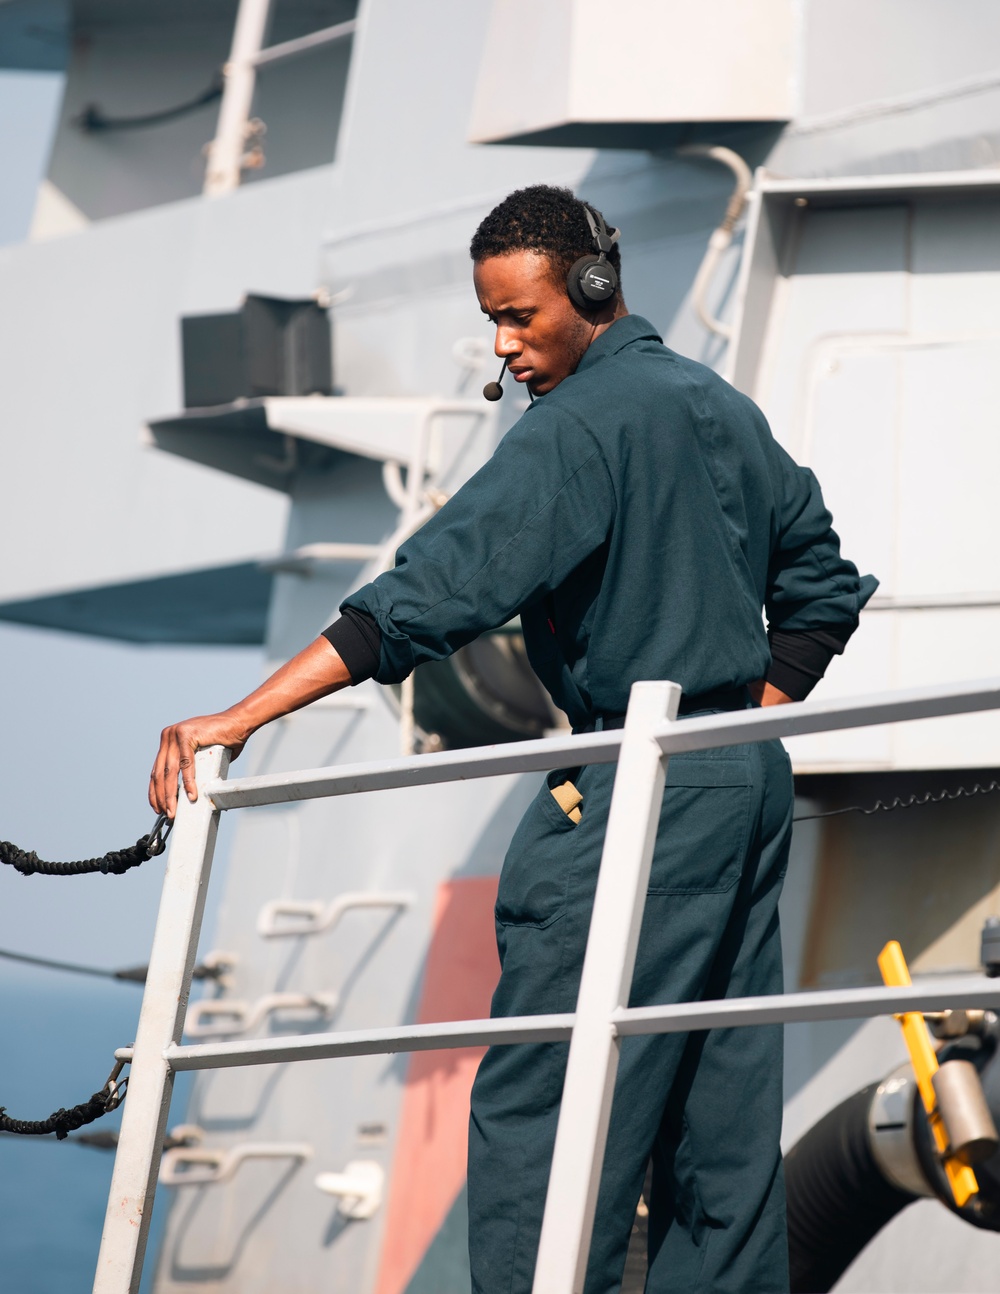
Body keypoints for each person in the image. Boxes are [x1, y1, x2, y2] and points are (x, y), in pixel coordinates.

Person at [150, 185, 876, 1292]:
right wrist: (739, 727)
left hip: (635, 790)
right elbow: (820, 585)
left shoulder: (578, 429)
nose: (503, 346)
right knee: (720, 1136)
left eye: (519, 317)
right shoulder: (717, 404)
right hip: (739, 782)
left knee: (546, 1109)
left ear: (590, 292)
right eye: (491, 319)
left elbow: (424, 597)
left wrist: (239, 718)